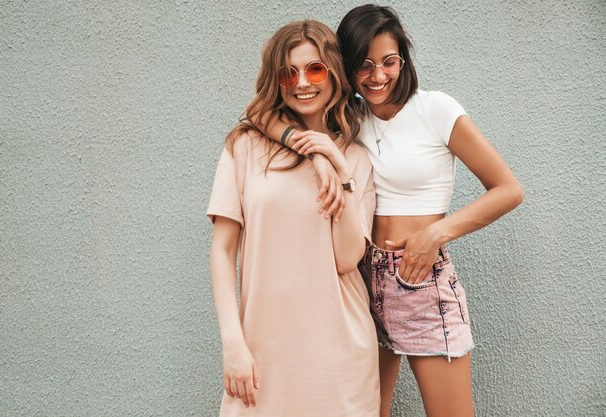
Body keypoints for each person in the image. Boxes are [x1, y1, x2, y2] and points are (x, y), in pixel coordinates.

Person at [253, 5, 524, 417]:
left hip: (417, 280)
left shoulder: (436, 109)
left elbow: (508, 190)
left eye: (389, 62)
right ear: (346, 68)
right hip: (361, 280)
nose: (378, 76)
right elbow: (261, 113)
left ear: (404, 59)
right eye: (364, 66)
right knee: (365, 411)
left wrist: (437, 234)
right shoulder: (351, 117)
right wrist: (315, 151)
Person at [207, 20, 380, 417]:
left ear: (334, 74)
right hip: (261, 353)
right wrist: (232, 342)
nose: (302, 82)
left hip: (340, 355)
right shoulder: (244, 147)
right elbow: (221, 250)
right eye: (289, 72)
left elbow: (347, 259)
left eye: (315, 69)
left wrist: (338, 165)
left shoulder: (356, 158)